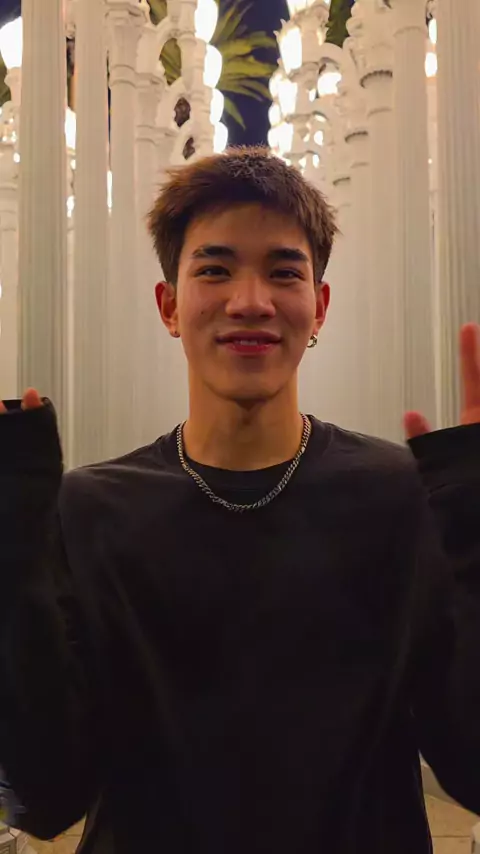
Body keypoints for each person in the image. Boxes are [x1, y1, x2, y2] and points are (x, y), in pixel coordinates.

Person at [0, 147, 479, 854]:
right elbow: (46, 798)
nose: (250, 301)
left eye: (283, 272)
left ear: (318, 306)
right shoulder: (90, 510)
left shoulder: (399, 498)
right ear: (170, 306)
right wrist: (13, 569)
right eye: (215, 269)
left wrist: (474, 541)